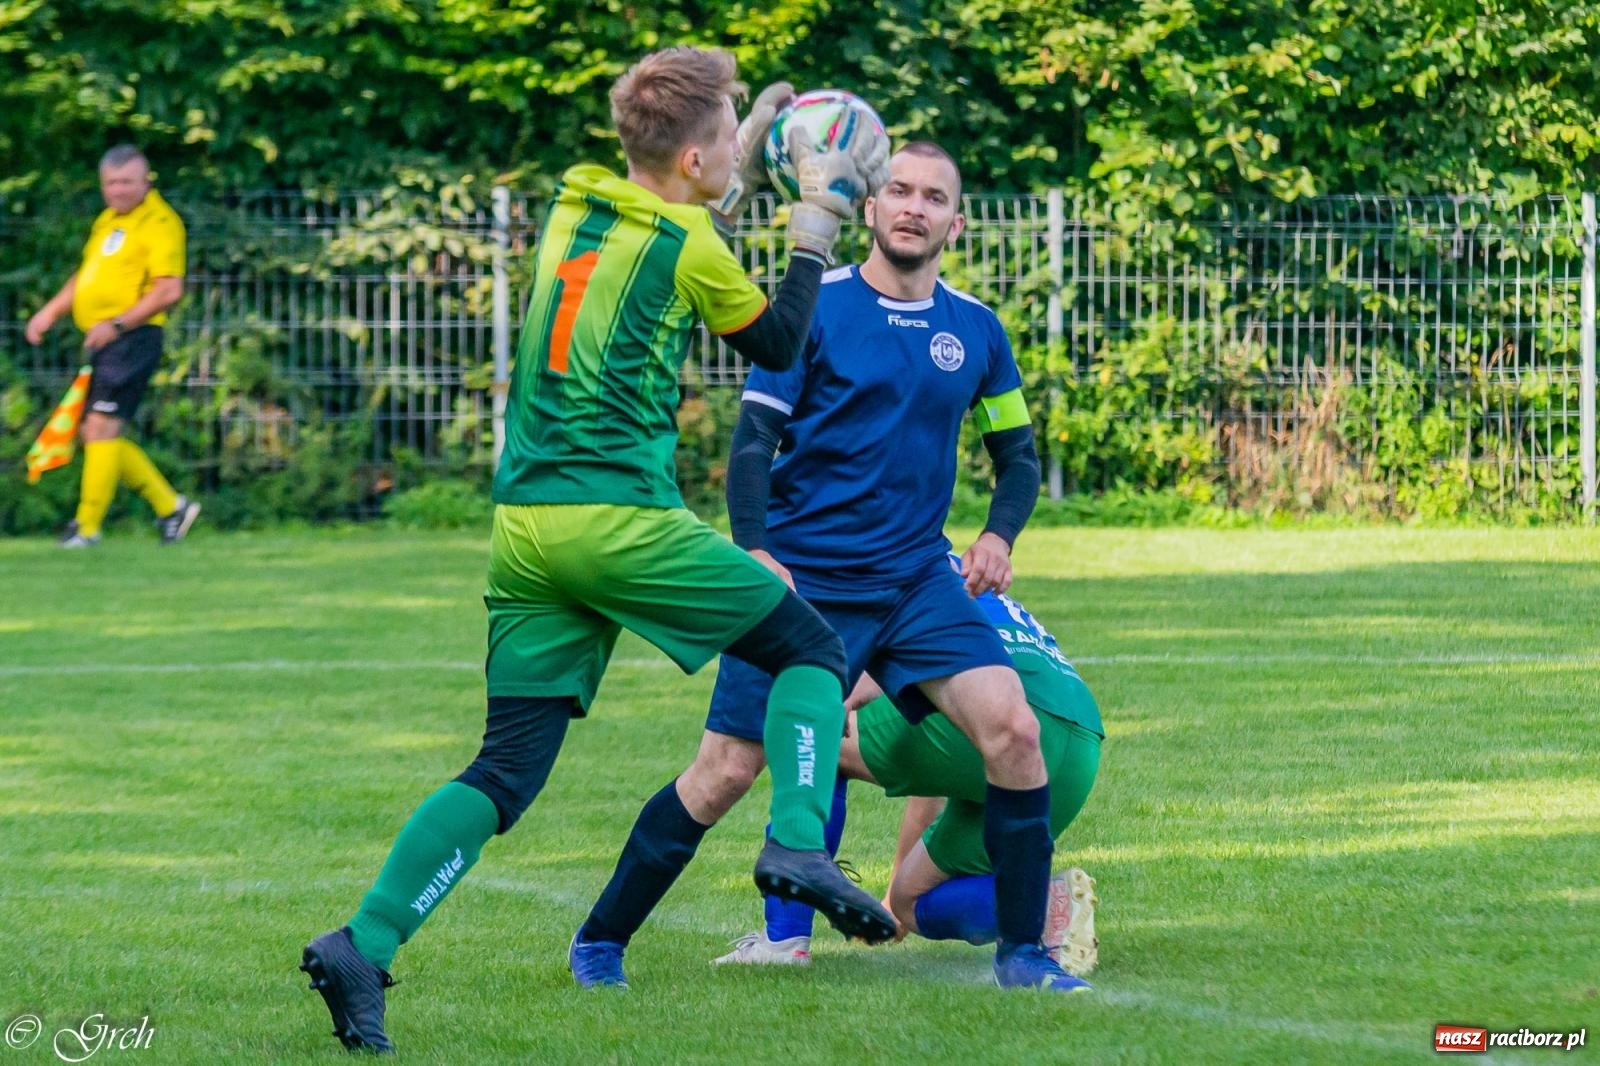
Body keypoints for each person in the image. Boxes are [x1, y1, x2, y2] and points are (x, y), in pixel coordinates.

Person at [297, 47, 892, 1053]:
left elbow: (683, 213)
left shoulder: (577, 208)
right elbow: (783, 338)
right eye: (727, 134)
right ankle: (797, 841)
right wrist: (817, 221)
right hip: (616, 522)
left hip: (525, 533)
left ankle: (364, 943)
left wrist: (737, 141)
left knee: (506, 771)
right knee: (810, 651)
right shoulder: (692, 246)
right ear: (697, 157)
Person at [572, 142, 1082, 992]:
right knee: (726, 771)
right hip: (807, 581)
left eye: (934, 197)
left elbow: (1018, 456)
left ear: (956, 223)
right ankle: (600, 940)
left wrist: (998, 535)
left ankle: (1025, 957)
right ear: (871, 210)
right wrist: (757, 550)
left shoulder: (976, 330)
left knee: (1015, 730)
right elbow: (753, 445)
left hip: (920, 581)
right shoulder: (813, 309)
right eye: (899, 192)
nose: (914, 207)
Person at [716, 564, 1103, 985]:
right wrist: (893, 889)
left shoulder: (880, 558)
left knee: (816, 736)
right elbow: (934, 765)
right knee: (910, 902)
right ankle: (1045, 905)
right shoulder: (946, 562)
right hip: (1078, 743)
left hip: (1007, 717)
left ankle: (783, 940)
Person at [25, 145, 199, 547]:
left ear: (146, 181)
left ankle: (86, 528)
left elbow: (169, 289)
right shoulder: (108, 221)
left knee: (102, 427)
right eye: (111, 183)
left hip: (132, 338)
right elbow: (86, 276)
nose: (119, 190)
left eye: (127, 181)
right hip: (107, 339)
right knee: (95, 431)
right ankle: (170, 506)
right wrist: (49, 312)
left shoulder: (159, 222)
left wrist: (118, 325)